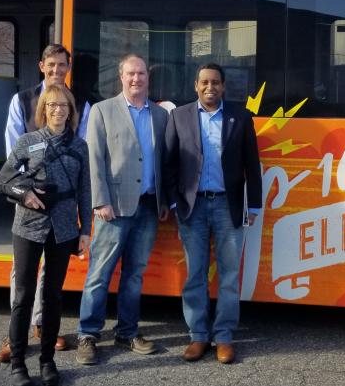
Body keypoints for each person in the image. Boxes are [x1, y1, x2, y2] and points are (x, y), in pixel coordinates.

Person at [163, 63, 263, 364]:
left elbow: (252, 164)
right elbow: (168, 163)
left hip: (227, 206)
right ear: (196, 85)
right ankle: (198, 336)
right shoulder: (179, 117)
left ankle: (224, 337)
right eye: (205, 82)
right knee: (195, 274)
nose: (210, 87)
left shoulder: (241, 117)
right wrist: (173, 203)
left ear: (223, 86)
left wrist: (254, 205)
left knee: (229, 276)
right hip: (192, 208)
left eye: (216, 82)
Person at [0, 44, 90, 362]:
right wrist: (29, 190)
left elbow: (82, 149)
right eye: (51, 65)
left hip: (63, 204)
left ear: (68, 67)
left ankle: (41, 326)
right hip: (29, 198)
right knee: (21, 271)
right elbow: (13, 150)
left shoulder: (79, 103)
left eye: (62, 65)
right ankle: (17, 335)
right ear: (41, 66)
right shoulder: (21, 100)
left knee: (51, 276)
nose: (56, 71)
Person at [76, 53, 169, 365]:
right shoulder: (103, 110)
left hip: (148, 207)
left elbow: (163, 162)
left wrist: (164, 201)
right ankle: (88, 334)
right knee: (99, 273)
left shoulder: (160, 115)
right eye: (131, 74)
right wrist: (100, 200)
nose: (136, 79)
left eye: (141, 73)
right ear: (121, 77)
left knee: (135, 275)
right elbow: (94, 159)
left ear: (148, 77)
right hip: (112, 208)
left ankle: (127, 332)